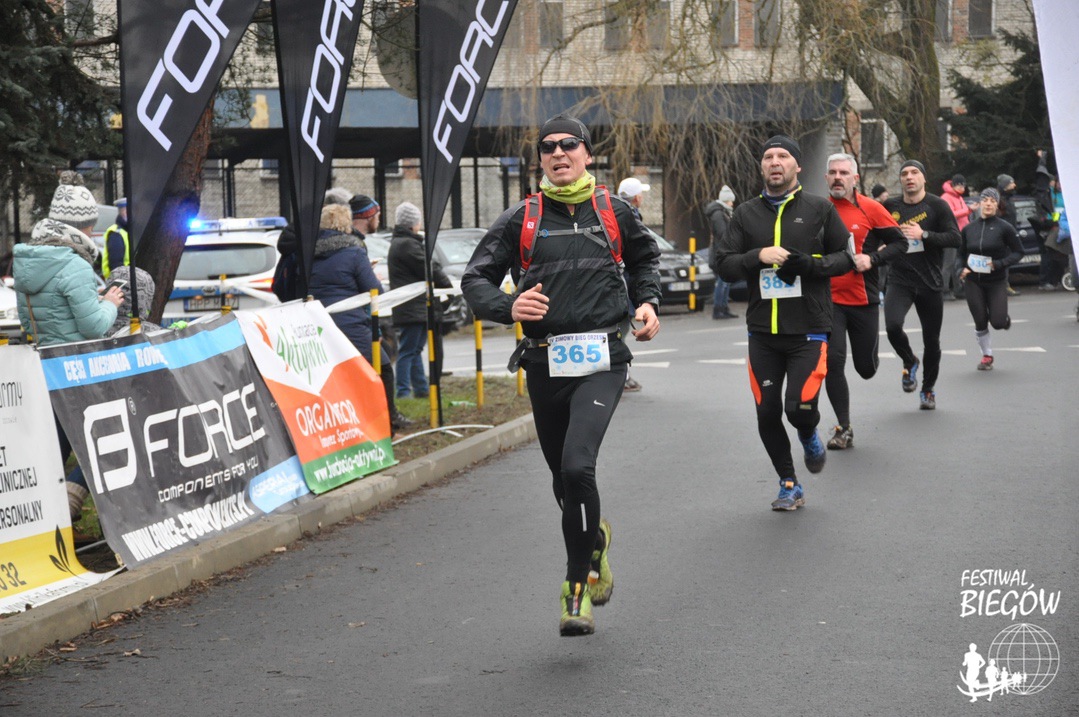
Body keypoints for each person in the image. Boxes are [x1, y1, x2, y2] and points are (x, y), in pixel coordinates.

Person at [461, 113, 661, 636]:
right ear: (541, 160)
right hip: (544, 360)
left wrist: (647, 302)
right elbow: (475, 278)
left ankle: (576, 588)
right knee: (562, 481)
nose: (558, 153)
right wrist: (507, 306)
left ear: (587, 154)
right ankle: (594, 543)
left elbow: (645, 260)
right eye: (548, 147)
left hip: (602, 358)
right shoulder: (520, 218)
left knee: (577, 467)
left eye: (569, 144)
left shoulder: (614, 210)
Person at [713, 135, 854, 511]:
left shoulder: (820, 209)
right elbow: (723, 264)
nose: (775, 162)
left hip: (809, 329)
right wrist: (757, 255)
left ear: (797, 166)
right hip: (762, 332)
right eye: (768, 157)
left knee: (799, 409)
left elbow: (846, 258)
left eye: (783, 156)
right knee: (767, 411)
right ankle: (789, 483)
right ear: (762, 167)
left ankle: (808, 434)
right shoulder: (745, 214)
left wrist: (810, 264)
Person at [13, 176, 124, 521]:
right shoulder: (74, 264)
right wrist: (110, 303)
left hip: (45, 365)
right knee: (103, 435)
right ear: (81, 226)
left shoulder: (28, 262)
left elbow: (29, 320)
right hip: (78, 367)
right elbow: (94, 325)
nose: (93, 232)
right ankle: (74, 494)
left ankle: (46, 512)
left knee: (57, 441)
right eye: (90, 225)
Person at [822, 154, 907, 450]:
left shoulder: (870, 208)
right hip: (828, 301)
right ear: (826, 177)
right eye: (832, 172)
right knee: (833, 362)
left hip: (863, 299)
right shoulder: (818, 209)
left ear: (855, 178)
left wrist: (872, 259)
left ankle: (873, 359)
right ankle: (843, 428)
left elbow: (900, 243)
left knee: (866, 369)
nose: (837, 177)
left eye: (843, 173)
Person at [882, 160, 961, 410]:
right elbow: (875, 232)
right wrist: (880, 246)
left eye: (914, 172)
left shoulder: (937, 205)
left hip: (930, 281)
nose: (909, 177)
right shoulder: (890, 206)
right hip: (900, 279)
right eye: (904, 173)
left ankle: (928, 390)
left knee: (932, 341)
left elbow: (955, 238)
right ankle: (909, 361)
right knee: (893, 326)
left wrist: (924, 235)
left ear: (923, 178)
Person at [349, 194, 412, 432]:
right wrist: (368, 275)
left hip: (358, 317)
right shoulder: (355, 245)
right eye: (376, 214)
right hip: (355, 319)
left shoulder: (356, 243)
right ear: (367, 216)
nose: (379, 218)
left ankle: (385, 416)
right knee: (383, 366)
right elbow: (372, 287)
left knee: (381, 361)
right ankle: (386, 420)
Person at [388, 201, 451, 399]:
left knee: (414, 349)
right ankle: (403, 391)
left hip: (413, 307)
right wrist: (447, 286)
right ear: (412, 224)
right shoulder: (407, 244)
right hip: (412, 307)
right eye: (418, 221)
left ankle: (421, 389)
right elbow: (428, 267)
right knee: (408, 350)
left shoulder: (402, 242)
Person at [307, 204, 383, 362]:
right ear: (347, 224)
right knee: (383, 367)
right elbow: (375, 290)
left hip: (317, 325)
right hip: (351, 324)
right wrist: (373, 276)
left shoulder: (308, 254)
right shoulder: (355, 252)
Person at [959, 188, 1023, 371]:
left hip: (996, 281)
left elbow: (1019, 252)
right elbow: (960, 255)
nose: (988, 204)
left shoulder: (1005, 228)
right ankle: (987, 355)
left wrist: (999, 264)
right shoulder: (969, 229)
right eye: (985, 200)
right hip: (973, 281)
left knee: (997, 322)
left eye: (992, 201)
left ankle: (1003, 318)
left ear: (997, 205)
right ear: (980, 203)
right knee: (980, 320)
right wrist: (960, 269)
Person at [617, 176, 652, 392]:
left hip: (618, 284)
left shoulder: (611, 212)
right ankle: (621, 377)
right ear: (637, 198)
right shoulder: (630, 217)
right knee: (619, 333)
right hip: (624, 285)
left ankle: (621, 376)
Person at [705, 185, 738, 320]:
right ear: (725, 200)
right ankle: (718, 309)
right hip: (721, 253)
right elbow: (723, 233)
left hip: (724, 252)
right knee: (722, 282)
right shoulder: (718, 214)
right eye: (731, 201)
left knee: (725, 282)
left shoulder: (723, 212)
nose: (732, 203)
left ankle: (723, 308)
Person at [941, 174, 971, 299]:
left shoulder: (959, 197)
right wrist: (968, 210)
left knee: (957, 262)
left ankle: (958, 288)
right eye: (960, 185)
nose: (962, 188)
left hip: (961, 234)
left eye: (964, 185)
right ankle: (944, 291)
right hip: (951, 234)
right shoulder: (946, 197)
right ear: (954, 185)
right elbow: (950, 214)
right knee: (948, 263)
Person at [101, 197, 129, 279]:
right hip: (121, 282)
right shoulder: (116, 234)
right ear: (125, 212)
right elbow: (116, 268)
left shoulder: (128, 231)